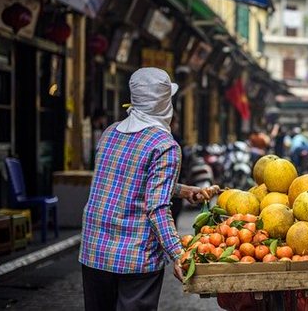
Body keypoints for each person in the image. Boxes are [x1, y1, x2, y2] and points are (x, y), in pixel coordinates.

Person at [79, 67, 215, 311]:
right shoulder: (165, 145)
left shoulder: (110, 133)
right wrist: (178, 254)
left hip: (94, 251)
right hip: (135, 257)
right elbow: (157, 207)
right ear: (166, 103)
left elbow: (127, 180)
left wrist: (181, 190)